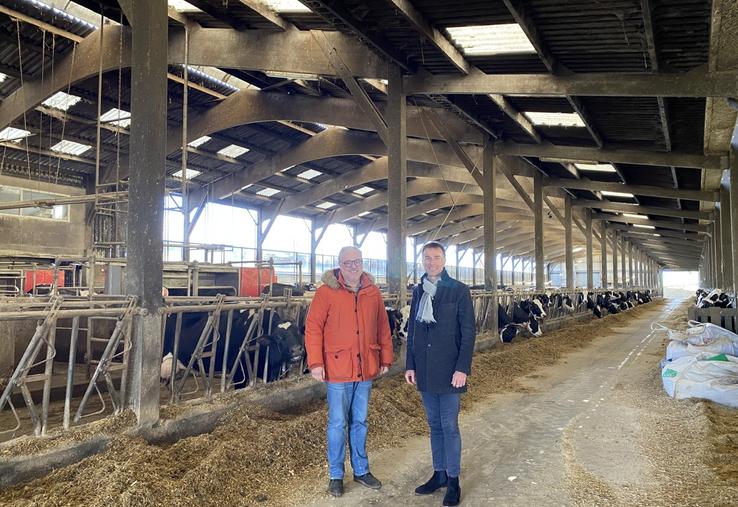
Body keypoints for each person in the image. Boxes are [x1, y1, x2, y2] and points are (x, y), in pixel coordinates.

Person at [305, 246, 394, 497]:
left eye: (357, 262)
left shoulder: (372, 292)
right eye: (348, 263)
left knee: (360, 421)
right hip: (336, 368)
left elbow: (382, 327)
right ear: (339, 265)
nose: (353, 267)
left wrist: (385, 357)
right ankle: (336, 474)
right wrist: (315, 363)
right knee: (337, 422)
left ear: (363, 263)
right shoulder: (326, 293)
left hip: (365, 367)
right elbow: (313, 329)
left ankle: (361, 469)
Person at [405, 241, 476, 507]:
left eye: (436, 257)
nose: (431, 262)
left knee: (449, 426)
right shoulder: (418, 291)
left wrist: (462, 368)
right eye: (427, 258)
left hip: (449, 371)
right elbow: (412, 330)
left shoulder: (458, 290)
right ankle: (439, 474)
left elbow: (468, 333)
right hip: (424, 370)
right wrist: (410, 364)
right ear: (422, 261)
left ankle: (454, 480)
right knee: (434, 425)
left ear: (444, 260)